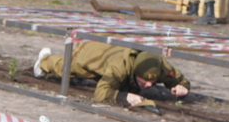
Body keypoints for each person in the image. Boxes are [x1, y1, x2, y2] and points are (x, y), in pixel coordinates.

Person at [32, 42, 190, 113]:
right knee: (68, 69)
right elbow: (100, 94)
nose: (149, 84)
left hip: (117, 50)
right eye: (144, 80)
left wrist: (182, 87)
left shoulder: (160, 66)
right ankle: (44, 60)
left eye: (152, 81)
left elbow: (180, 80)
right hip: (94, 52)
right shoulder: (118, 66)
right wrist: (124, 96)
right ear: (134, 72)